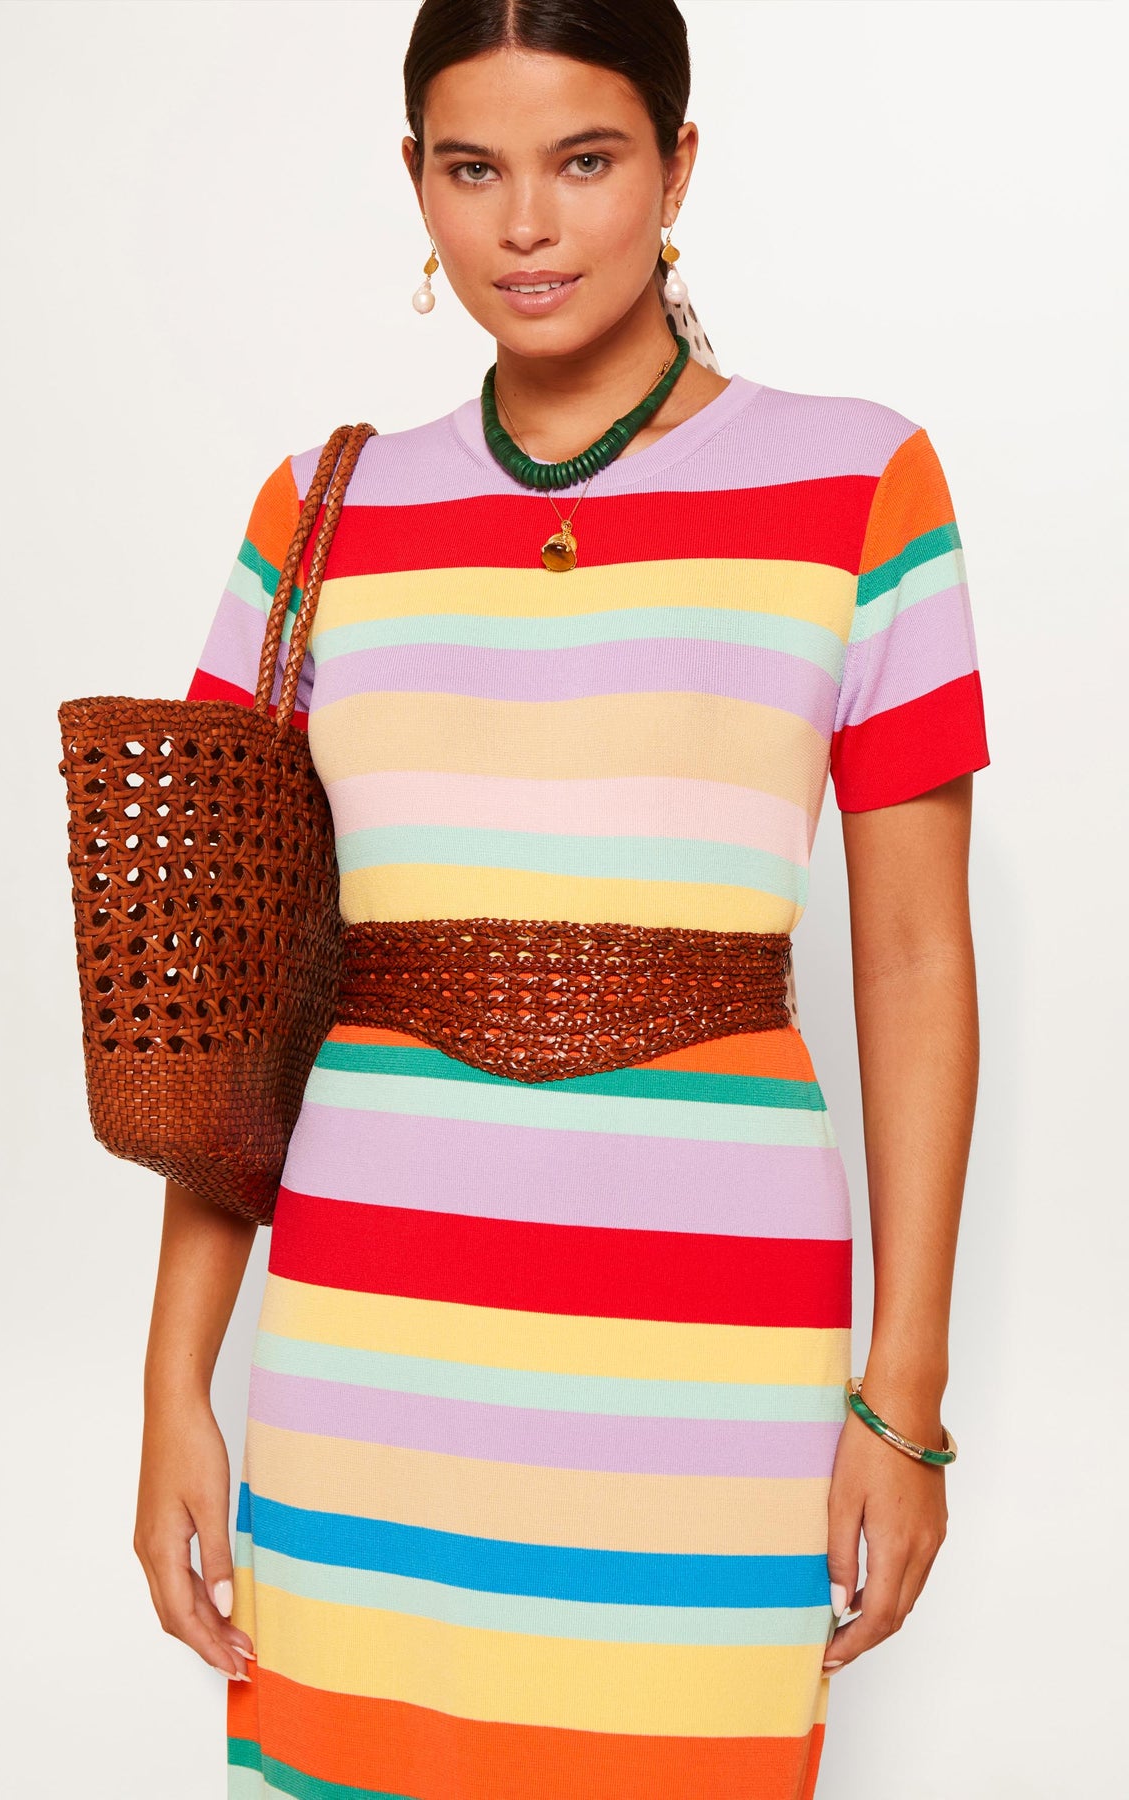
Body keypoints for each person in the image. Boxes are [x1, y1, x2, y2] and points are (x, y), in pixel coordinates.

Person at [132, 2, 991, 1794]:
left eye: (585, 160)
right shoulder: (315, 515)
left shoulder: (861, 484)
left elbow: (915, 957)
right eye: (473, 168)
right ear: (415, 183)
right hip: (366, 1348)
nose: (525, 223)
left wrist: (901, 1398)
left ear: (679, 167)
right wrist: (173, 1394)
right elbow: (230, 1008)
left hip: (711, 1351)